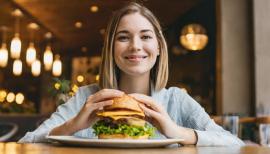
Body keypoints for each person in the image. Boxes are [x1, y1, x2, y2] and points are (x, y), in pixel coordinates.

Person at [19, 2, 244, 146]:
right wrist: (73, 126)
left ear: (158, 48)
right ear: (111, 49)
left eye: (145, 37)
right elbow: (26, 142)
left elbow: (234, 143)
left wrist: (176, 132)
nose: (135, 46)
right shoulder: (87, 98)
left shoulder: (176, 100)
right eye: (123, 37)